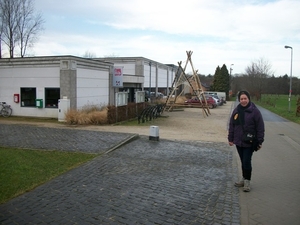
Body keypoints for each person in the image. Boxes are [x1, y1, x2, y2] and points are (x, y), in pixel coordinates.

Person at [228, 90, 265, 192]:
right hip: (238, 141)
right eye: (241, 99)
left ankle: (247, 181)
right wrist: (230, 139)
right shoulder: (236, 110)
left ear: (248, 99)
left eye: (245, 99)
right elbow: (232, 126)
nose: (243, 101)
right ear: (239, 100)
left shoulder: (255, 111)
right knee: (242, 161)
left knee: (246, 161)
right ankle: (244, 179)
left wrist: (260, 141)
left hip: (249, 141)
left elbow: (260, 127)